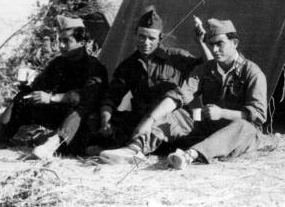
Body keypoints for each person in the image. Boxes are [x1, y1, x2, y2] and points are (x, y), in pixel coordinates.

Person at [100, 18, 267, 169]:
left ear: (235, 43)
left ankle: (189, 156)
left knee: (243, 127)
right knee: (182, 114)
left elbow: (258, 116)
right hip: (209, 123)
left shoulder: (252, 72)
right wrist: (151, 120)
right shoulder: (205, 70)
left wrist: (222, 112)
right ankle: (135, 149)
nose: (215, 50)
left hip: (242, 130)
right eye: (211, 45)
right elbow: (179, 95)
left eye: (220, 44)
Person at [96, 10, 212, 161]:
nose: (146, 42)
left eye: (151, 38)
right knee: (101, 120)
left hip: (175, 121)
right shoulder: (128, 65)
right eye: (142, 36)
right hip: (141, 120)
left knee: (171, 117)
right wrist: (105, 120)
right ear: (135, 34)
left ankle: (133, 150)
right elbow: (111, 98)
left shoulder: (177, 57)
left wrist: (201, 42)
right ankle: (108, 145)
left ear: (160, 38)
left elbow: (209, 69)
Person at [0, 16, 108, 159]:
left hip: (80, 121)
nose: (61, 46)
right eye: (60, 41)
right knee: (22, 97)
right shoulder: (58, 62)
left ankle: (53, 144)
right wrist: (28, 88)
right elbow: (40, 85)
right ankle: (1, 136)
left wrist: (52, 98)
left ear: (82, 43)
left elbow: (86, 96)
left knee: (81, 107)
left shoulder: (94, 67)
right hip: (58, 114)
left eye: (67, 41)